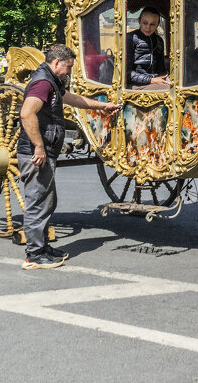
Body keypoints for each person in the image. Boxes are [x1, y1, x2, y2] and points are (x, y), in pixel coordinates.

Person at [18, 44, 121, 269]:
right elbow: (26, 113)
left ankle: (42, 247)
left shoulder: (51, 81)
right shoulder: (43, 83)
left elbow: (73, 99)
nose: (70, 72)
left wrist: (101, 106)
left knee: (46, 201)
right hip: (36, 154)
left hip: (45, 151)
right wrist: (38, 146)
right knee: (37, 201)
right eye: (68, 67)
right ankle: (34, 255)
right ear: (56, 63)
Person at [127, 7, 169, 89]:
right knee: (168, 91)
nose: (148, 28)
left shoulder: (159, 40)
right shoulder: (130, 38)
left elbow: (161, 69)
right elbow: (126, 73)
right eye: (145, 23)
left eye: (152, 24)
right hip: (135, 85)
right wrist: (151, 80)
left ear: (158, 24)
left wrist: (166, 78)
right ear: (139, 21)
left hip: (155, 82)